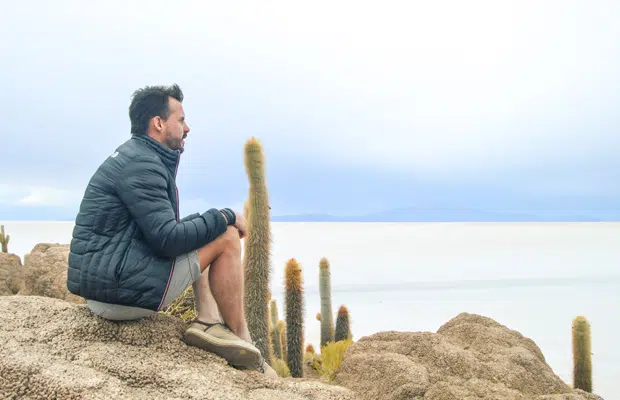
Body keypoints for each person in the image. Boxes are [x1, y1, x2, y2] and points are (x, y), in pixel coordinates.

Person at [67, 84, 276, 377]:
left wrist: (210, 221)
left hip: (108, 287)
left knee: (201, 228)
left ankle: (208, 318)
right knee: (226, 235)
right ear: (159, 123)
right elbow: (168, 240)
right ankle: (245, 343)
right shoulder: (143, 165)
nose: (187, 128)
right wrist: (226, 215)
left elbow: (164, 232)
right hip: (121, 295)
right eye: (181, 120)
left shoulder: (132, 156)